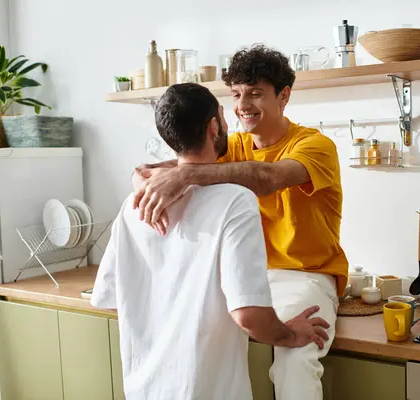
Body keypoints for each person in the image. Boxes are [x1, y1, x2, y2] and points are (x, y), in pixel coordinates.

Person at [132, 44, 349, 400]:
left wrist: (185, 178)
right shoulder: (232, 147)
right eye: (235, 94)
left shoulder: (315, 145)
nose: (243, 105)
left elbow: (267, 177)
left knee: (295, 359)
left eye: (255, 93)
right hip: (243, 273)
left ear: (283, 96)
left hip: (304, 274)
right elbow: (161, 169)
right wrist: (142, 179)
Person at [90, 83, 330, 400]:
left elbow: (110, 298)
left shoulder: (135, 205)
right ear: (214, 126)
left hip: (143, 390)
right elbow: (249, 316)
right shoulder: (235, 202)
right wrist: (288, 334)